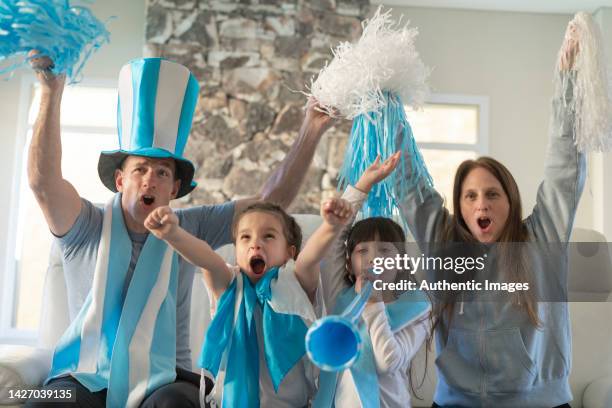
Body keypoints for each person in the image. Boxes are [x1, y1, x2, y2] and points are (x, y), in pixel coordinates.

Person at [25, 54, 335, 408]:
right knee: (42, 402)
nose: (150, 180)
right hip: (84, 372)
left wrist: (311, 128)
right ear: (120, 180)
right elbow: (43, 183)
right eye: (140, 169)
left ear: (173, 189)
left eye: (162, 173)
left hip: (167, 376)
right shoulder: (86, 225)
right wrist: (51, 90)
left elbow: (270, 202)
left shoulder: (189, 226)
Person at [395, 25, 584, 407]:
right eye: (470, 196)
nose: (482, 204)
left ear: (510, 202)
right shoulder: (442, 244)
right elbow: (410, 185)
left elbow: (564, 170)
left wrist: (567, 86)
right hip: (456, 402)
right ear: (460, 206)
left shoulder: (541, 242)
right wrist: (386, 107)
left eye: (492, 194)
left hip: (539, 401)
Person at [144, 192, 354, 407]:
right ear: (236, 251)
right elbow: (208, 259)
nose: (255, 244)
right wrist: (173, 234)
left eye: (268, 236)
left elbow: (309, 258)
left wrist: (331, 227)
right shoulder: (229, 286)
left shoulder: (296, 282)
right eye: (246, 237)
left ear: (289, 253)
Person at [315, 153, 431, 408]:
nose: (373, 259)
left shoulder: (417, 308)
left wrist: (374, 304)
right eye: (362, 251)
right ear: (349, 262)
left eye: (384, 251)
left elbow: (388, 362)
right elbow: (335, 236)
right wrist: (362, 186)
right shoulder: (340, 296)